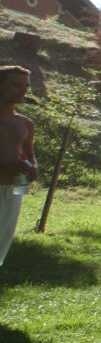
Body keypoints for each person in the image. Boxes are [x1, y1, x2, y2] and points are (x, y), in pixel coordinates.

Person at [0, 66, 38, 267]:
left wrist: (33, 168)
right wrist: (5, 163)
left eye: (25, 86)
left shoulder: (25, 123)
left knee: (1, 246)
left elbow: (30, 155)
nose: (22, 90)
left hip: (14, 192)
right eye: (16, 84)